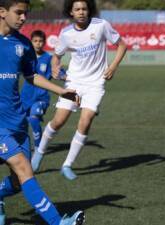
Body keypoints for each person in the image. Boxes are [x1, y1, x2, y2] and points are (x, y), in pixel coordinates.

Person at [0, 0, 85, 224]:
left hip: (17, 121)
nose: (23, 18)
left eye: (25, 13)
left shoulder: (23, 44)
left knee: (19, 181)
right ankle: (58, 222)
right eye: (18, 13)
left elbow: (32, 76)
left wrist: (62, 91)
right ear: (1, 12)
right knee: (24, 168)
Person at [31, 0, 127, 180]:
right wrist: (55, 68)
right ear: (71, 12)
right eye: (77, 9)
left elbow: (122, 45)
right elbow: (56, 57)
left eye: (84, 8)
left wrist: (113, 66)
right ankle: (40, 151)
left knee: (86, 119)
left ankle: (67, 165)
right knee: (59, 121)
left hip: (95, 84)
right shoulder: (66, 34)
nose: (81, 12)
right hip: (74, 82)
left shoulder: (101, 26)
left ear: (89, 10)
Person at [20, 30, 65, 154]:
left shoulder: (49, 59)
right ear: (31, 42)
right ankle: (22, 146)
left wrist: (64, 76)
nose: (38, 44)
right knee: (21, 122)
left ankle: (39, 148)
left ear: (44, 42)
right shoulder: (26, 57)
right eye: (35, 41)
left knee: (34, 119)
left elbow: (59, 72)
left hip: (41, 97)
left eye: (40, 41)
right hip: (25, 96)